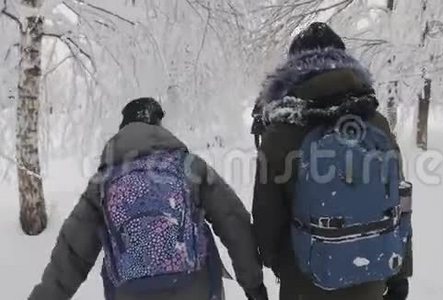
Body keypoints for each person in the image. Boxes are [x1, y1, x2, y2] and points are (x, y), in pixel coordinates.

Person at [29, 98, 268, 300]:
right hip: (196, 289)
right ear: (159, 126)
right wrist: (253, 284)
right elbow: (233, 221)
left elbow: (72, 253)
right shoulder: (189, 167)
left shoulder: (103, 183)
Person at [252, 23, 412, 300]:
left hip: (305, 276)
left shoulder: (280, 133)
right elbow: (399, 202)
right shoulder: (375, 123)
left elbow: (267, 217)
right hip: (372, 272)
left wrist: (280, 264)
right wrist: (400, 273)